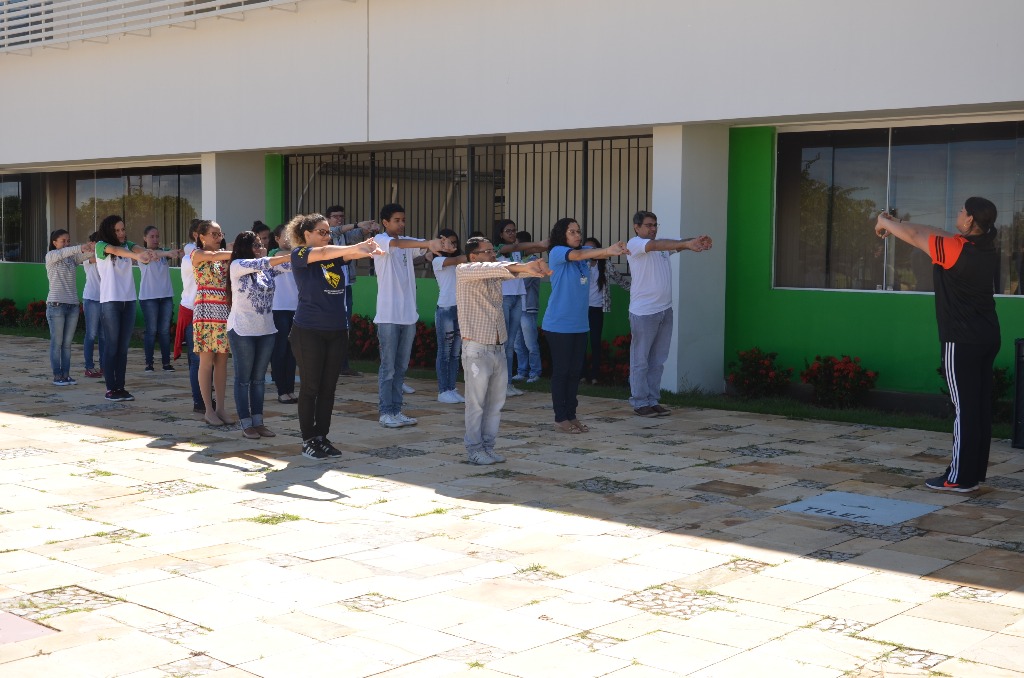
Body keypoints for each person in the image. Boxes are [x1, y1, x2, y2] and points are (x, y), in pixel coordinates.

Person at [875, 198, 1001, 492]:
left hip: (962, 340)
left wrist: (886, 224)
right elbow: (930, 231)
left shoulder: (957, 250)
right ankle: (973, 472)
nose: (957, 213)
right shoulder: (983, 246)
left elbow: (920, 238)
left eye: (961, 211)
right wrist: (893, 224)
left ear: (969, 220)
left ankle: (958, 477)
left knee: (964, 410)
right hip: (986, 336)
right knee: (978, 407)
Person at [288, 212, 384, 458]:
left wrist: (368, 248)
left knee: (328, 388)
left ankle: (322, 437)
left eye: (328, 232)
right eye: (321, 231)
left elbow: (350, 254)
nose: (326, 236)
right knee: (311, 387)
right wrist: (358, 246)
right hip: (308, 330)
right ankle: (308, 439)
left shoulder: (334, 256)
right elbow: (322, 253)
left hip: (337, 330)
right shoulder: (300, 254)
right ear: (306, 234)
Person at [456, 237, 551, 464]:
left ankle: (488, 447)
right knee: (476, 404)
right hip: (477, 348)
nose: (492, 255)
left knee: (495, 405)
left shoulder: (494, 273)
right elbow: (498, 267)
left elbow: (512, 272)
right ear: (473, 256)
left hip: (498, 347)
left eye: (493, 251)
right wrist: (525, 267)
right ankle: (474, 449)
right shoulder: (464, 270)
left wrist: (534, 269)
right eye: (487, 251)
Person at [543, 218, 628, 433]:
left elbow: (591, 254)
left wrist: (611, 251)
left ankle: (571, 416)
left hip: (580, 325)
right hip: (559, 324)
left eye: (578, 231)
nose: (577, 235)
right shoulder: (557, 252)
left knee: (574, 372)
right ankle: (559, 418)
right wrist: (607, 250)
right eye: (572, 231)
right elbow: (582, 253)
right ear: (562, 235)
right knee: (562, 372)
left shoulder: (581, 259)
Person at [372, 203, 453, 428]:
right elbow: (400, 244)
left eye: (403, 220)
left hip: (408, 316)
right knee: (388, 368)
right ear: (385, 222)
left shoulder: (406, 242)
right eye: (397, 220)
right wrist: (428, 243)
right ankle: (385, 412)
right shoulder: (380, 240)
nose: (401, 224)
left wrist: (439, 246)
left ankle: (396, 410)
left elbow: (421, 251)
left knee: (401, 368)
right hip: (388, 316)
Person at [625, 210, 712, 418]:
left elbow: (676, 244)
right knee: (641, 361)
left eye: (655, 225)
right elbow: (659, 245)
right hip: (644, 313)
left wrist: (695, 241)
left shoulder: (662, 247)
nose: (653, 229)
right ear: (637, 227)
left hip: (664, 311)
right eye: (648, 225)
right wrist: (684, 244)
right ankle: (639, 402)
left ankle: (652, 400)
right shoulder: (635, 244)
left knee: (658, 361)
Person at [226, 231, 291, 439]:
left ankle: (258, 421)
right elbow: (265, 262)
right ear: (244, 247)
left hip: (266, 330)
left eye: (260, 243)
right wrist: (283, 256)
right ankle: (246, 423)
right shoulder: (237, 265)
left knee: (259, 380)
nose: (260, 246)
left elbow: (291, 266)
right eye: (255, 245)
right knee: (243, 379)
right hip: (242, 329)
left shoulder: (265, 268)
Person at [95, 215, 154, 401]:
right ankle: (110, 388)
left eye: (123, 229)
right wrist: (137, 256)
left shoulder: (128, 245)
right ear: (109, 231)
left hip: (128, 302)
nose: (121, 233)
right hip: (110, 302)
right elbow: (116, 250)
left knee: (123, 349)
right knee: (112, 347)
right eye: (117, 230)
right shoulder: (101, 245)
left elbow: (140, 250)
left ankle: (120, 387)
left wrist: (148, 253)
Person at [493, 219, 548, 397]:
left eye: (514, 231)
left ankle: (508, 383)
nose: (512, 233)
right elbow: (515, 248)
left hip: (518, 298)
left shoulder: (517, 251)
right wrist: (538, 243)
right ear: (500, 234)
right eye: (508, 231)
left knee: (511, 345)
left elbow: (536, 250)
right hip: (504, 298)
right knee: (505, 343)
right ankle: (502, 383)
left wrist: (546, 244)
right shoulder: (499, 248)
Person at [190, 221, 233, 426]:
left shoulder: (225, 256)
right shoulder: (197, 254)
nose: (218, 238)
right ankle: (208, 409)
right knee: (206, 362)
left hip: (224, 311)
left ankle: (221, 408)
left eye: (220, 233)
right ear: (202, 237)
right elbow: (215, 256)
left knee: (222, 362)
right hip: (206, 310)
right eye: (214, 234)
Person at [327, 205, 378, 378]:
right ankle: (329, 364)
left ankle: (343, 365)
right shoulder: (327, 234)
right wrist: (357, 224)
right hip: (330, 286)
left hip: (346, 286)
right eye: (335, 216)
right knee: (330, 326)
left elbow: (357, 236)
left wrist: (367, 229)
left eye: (341, 216)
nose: (339, 219)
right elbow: (335, 231)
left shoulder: (345, 234)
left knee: (345, 326)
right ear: (328, 219)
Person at [45, 230, 94, 386]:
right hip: (56, 306)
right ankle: (57, 376)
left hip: (72, 306)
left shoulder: (72, 259)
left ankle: (66, 375)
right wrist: (81, 247)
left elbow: (88, 255)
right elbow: (68, 252)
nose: (67, 243)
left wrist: (93, 247)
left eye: (68, 240)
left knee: (67, 344)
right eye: (63, 241)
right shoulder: (51, 256)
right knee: (57, 342)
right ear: (54, 242)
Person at [581, 236, 631, 385]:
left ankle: (595, 375)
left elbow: (620, 280)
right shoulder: (581, 264)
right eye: (586, 249)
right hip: (581, 308)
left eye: (593, 249)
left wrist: (637, 289)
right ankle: (582, 374)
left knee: (595, 342)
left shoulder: (605, 264)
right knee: (581, 343)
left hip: (597, 308)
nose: (590, 252)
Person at [138, 225, 183, 372]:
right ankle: (149, 364)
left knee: (164, 331)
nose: (155, 239)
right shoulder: (142, 254)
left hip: (165, 297)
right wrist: (168, 253)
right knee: (151, 330)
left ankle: (166, 363)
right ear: (145, 238)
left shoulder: (164, 253)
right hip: (149, 298)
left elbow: (168, 254)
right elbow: (152, 254)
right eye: (152, 236)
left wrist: (178, 253)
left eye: (157, 236)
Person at [173, 220, 207, 414]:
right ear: (197, 235)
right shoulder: (190, 257)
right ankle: (199, 400)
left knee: (208, 359)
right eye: (212, 234)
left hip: (209, 311)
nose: (217, 238)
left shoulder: (209, 255)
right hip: (193, 311)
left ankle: (205, 396)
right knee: (197, 359)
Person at [432, 229, 467, 403]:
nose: (452, 245)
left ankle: (451, 388)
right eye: (448, 242)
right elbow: (458, 259)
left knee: (455, 353)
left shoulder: (460, 262)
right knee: (445, 352)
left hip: (460, 308)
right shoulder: (438, 260)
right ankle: (443, 390)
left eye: (454, 242)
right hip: (446, 309)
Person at [270, 225, 299, 404]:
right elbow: (279, 257)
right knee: (280, 350)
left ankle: (290, 389)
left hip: (297, 308)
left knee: (293, 351)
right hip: (279, 308)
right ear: (277, 239)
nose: (288, 240)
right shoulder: (274, 254)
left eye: (292, 236)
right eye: (285, 236)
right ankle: (282, 390)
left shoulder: (300, 254)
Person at [511, 231, 543, 384]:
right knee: (518, 343)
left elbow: (524, 283)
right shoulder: (517, 261)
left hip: (528, 308)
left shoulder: (534, 262)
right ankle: (522, 371)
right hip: (517, 306)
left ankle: (535, 372)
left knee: (530, 343)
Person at [81, 231, 104, 379]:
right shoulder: (88, 257)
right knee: (91, 334)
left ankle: (104, 366)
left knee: (104, 336)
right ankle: (89, 366)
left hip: (106, 299)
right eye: (98, 243)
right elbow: (96, 259)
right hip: (91, 299)